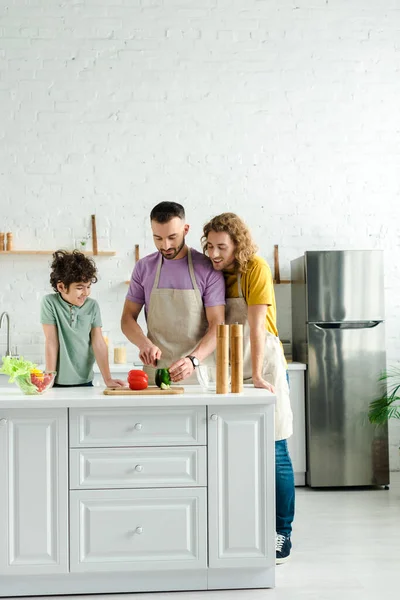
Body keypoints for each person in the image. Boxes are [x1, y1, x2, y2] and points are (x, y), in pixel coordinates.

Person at [202, 213, 295, 564]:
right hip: (226, 365)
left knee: (274, 448)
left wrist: (256, 375)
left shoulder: (255, 268)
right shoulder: (211, 272)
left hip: (263, 363)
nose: (213, 252)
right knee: (229, 451)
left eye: (221, 247)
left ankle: (281, 532)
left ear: (238, 244)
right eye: (209, 245)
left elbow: (256, 328)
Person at [121, 202, 225, 383]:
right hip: (157, 373)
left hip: (198, 373)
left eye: (172, 237)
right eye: (158, 238)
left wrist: (193, 360)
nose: (165, 245)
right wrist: (143, 344)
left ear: (185, 229)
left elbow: (218, 324)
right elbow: (127, 318)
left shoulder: (207, 268)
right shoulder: (144, 268)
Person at [40, 250, 125, 388]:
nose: (85, 292)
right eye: (80, 288)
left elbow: (98, 342)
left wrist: (108, 379)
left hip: (85, 381)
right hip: (56, 382)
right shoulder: (49, 303)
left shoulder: (92, 306)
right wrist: (49, 376)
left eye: (88, 287)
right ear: (61, 287)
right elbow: (51, 341)